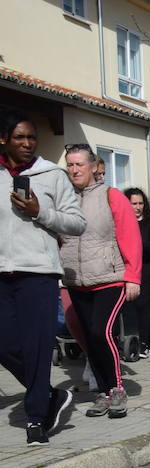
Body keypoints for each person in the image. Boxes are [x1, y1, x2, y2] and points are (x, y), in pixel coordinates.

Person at [0, 111, 84, 444]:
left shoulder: (52, 175)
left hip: (38, 272)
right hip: (1, 273)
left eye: (32, 137)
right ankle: (51, 394)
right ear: (5, 138)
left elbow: (76, 223)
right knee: (4, 342)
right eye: (19, 137)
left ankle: (36, 417)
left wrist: (40, 212)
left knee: (36, 347)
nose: (27, 143)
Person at [60, 144, 141, 419]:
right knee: (88, 340)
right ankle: (103, 393)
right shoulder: (64, 198)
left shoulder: (111, 196)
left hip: (109, 277)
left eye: (79, 164)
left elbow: (130, 236)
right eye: (70, 165)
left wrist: (133, 276)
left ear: (94, 167)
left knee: (100, 333)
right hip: (76, 280)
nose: (74, 170)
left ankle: (117, 388)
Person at [122, 187, 150, 358]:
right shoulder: (122, 221)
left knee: (143, 304)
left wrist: (138, 244)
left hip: (149, 271)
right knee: (135, 307)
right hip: (129, 270)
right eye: (133, 203)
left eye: (140, 203)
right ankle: (148, 341)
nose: (137, 207)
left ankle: (146, 343)